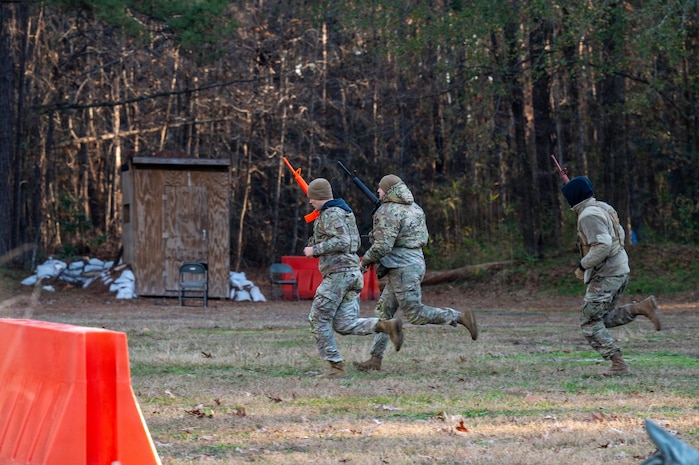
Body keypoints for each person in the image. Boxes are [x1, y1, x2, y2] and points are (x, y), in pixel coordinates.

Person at [353, 175, 478, 372]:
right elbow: (409, 237)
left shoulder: (388, 210)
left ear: (389, 191)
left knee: (415, 314)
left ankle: (460, 317)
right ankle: (375, 359)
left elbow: (383, 246)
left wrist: (365, 260)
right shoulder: (415, 208)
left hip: (403, 268)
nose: (378, 191)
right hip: (412, 263)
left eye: (380, 188)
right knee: (384, 311)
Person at [561, 176, 662, 376]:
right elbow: (620, 235)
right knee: (602, 318)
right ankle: (641, 308)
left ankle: (619, 364)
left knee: (589, 323)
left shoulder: (587, 215)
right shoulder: (602, 207)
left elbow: (603, 245)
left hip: (607, 275)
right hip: (620, 269)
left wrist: (583, 265)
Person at [303, 178, 404, 378]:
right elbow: (354, 241)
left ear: (318, 196)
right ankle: (386, 326)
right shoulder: (344, 212)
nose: (309, 202)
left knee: (318, 319)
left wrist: (315, 249)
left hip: (338, 275)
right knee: (343, 324)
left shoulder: (330, 214)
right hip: (352, 274)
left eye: (311, 198)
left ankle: (336, 367)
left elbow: (343, 240)